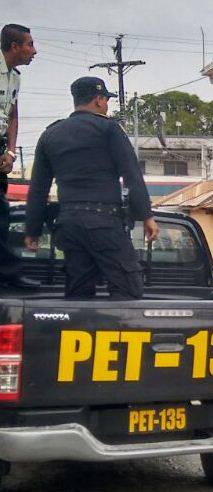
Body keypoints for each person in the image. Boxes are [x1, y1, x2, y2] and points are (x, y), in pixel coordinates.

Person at [25, 76, 159, 299]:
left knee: (79, 290)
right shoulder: (108, 129)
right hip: (104, 223)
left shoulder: (50, 134)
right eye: (106, 100)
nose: (106, 105)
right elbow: (131, 174)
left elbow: (38, 188)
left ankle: (82, 331)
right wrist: (146, 216)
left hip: (69, 225)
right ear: (98, 100)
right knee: (128, 287)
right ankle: (119, 332)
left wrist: (33, 230)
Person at [0, 23, 39, 288]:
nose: (34, 51)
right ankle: (8, 273)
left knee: (2, 213)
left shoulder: (14, 76)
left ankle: (7, 274)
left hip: (2, 145)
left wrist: (11, 151)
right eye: (30, 44)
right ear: (15, 46)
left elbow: (12, 114)